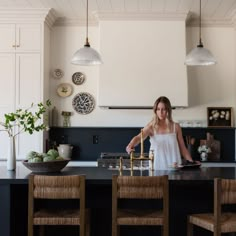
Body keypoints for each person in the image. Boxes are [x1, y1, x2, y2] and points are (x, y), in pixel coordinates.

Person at [126, 96, 197, 169]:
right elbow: (138, 138)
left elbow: (183, 148)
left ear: (168, 110)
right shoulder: (151, 126)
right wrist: (130, 145)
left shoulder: (176, 127)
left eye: (163, 109)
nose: (160, 112)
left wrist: (192, 163)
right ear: (155, 111)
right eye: (158, 109)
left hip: (175, 167)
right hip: (157, 167)